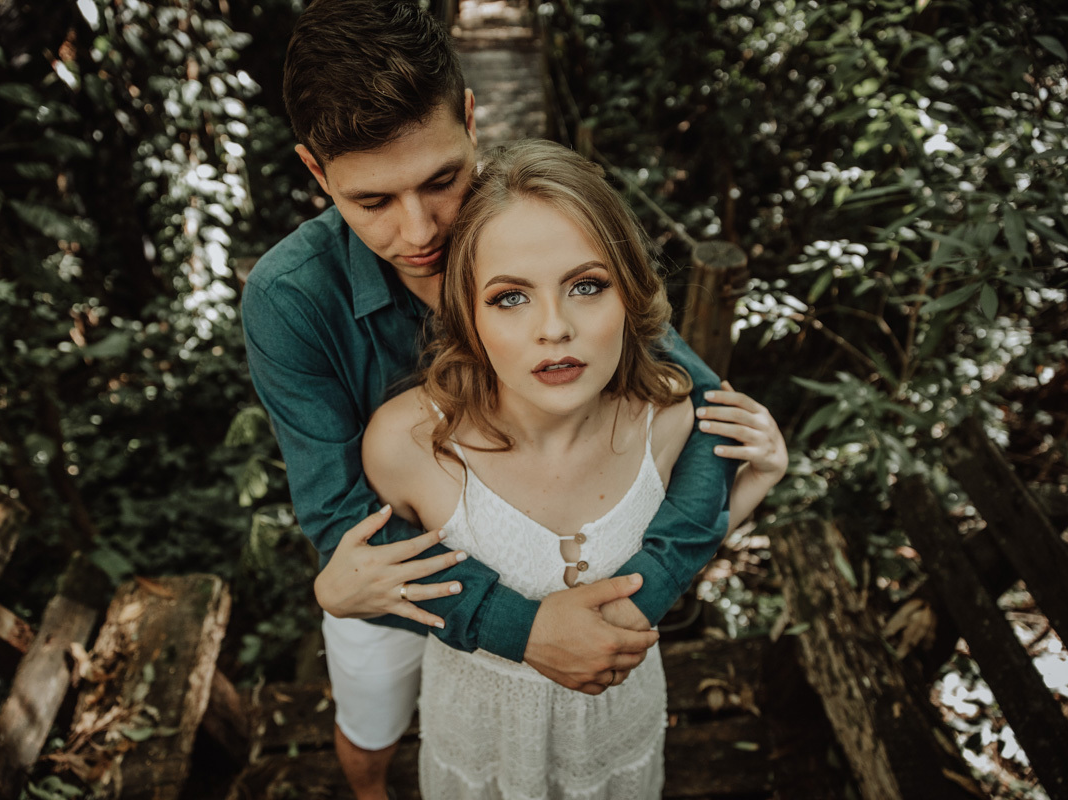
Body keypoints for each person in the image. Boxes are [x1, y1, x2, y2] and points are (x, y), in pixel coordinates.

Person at [241, 2, 758, 797]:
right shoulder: (288, 297)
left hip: (545, 541)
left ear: (473, 121)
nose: (420, 231)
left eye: (442, 180)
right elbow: (341, 520)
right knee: (371, 715)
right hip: (399, 575)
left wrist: (635, 600)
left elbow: (697, 401)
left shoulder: (533, 220)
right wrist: (522, 632)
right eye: (371, 202)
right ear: (316, 173)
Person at [362, 139, 788, 798]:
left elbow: (687, 535)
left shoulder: (672, 421)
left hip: (617, 729)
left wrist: (758, 478)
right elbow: (381, 580)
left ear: (630, 294)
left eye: (587, 286)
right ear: (468, 314)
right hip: (479, 743)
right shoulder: (410, 447)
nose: (554, 327)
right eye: (510, 298)